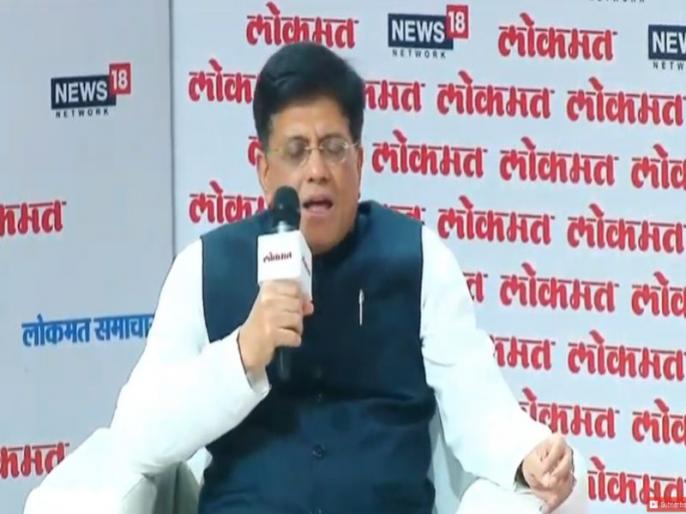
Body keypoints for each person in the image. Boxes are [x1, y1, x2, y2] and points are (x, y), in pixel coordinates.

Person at [109, 42, 577, 514]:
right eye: (296, 152)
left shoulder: (417, 260)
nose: (317, 171)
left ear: (360, 163)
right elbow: (136, 436)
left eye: (334, 149)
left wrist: (525, 455)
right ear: (264, 169)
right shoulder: (207, 266)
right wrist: (243, 354)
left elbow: (477, 402)